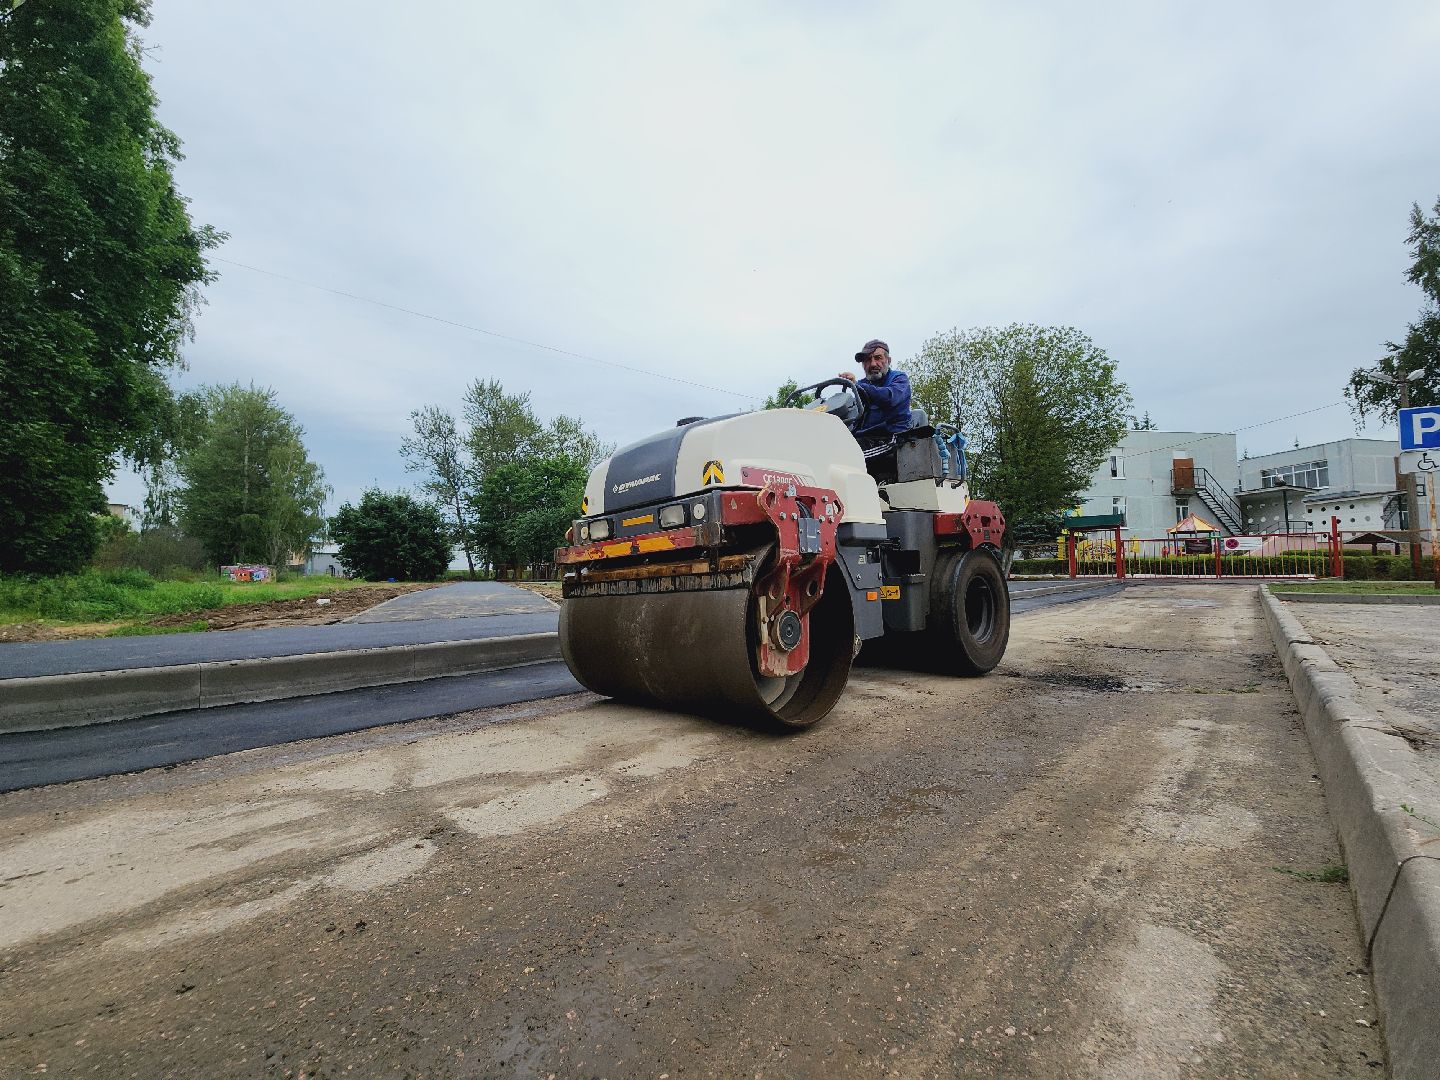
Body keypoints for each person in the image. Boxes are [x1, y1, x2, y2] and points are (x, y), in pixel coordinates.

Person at [838, 338, 911, 465]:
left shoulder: (899, 379)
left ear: (888, 360)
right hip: (863, 439)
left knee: (846, 460)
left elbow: (889, 398)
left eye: (878, 358)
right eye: (867, 360)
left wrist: (856, 385)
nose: (872, 364)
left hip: (891, 439)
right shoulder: (861, 386)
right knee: (830, 449)